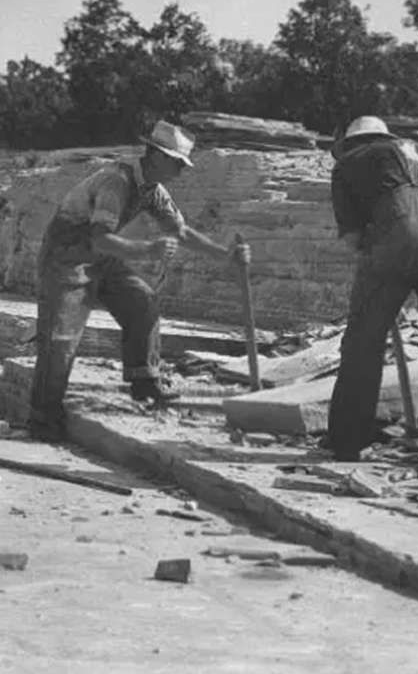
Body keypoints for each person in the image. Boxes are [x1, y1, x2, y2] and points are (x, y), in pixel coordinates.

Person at [28, 120, 251, 441]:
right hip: (67, 258)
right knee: (61, 340)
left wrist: (225, 256)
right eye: (177, 163)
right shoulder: (116, 183)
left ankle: (144, 382)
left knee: (141, 304)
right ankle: (43, 419)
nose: (181, 170)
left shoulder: (154, 191)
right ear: (157, 157)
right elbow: (101, 239)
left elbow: (181, 232)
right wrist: (148, 250)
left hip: (102, 257)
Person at [326, 116, 418, 461]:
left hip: (403, 228)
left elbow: (353, 237)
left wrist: (377, 270)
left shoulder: (348, 164)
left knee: (364, 338)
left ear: (349, 144)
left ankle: (348, 440)